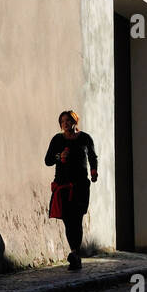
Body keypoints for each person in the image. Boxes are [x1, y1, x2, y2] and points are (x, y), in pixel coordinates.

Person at [45, 110, 98, 271]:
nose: (65, 124)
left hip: (80, 186)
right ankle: (75, 254)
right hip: (63, 186)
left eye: (68, 120)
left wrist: (94, 171)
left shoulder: (85, 138)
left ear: (75, 121)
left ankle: (75, 253)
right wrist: (59, 157)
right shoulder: (57, 139)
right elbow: (47, 160)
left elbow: (92, 157)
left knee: (77, 219)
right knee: (68, 221)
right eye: (62, 121)